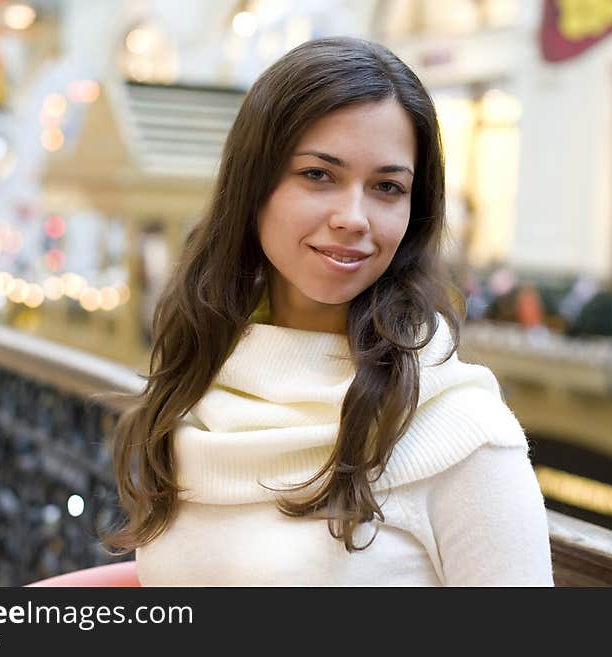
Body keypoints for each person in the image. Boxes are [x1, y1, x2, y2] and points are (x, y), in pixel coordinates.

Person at [105, 36, 554, 586]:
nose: (353, 217)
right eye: (319, 174)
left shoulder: (463, 434)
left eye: (387, 187)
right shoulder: (204, 382)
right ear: (254, 186)